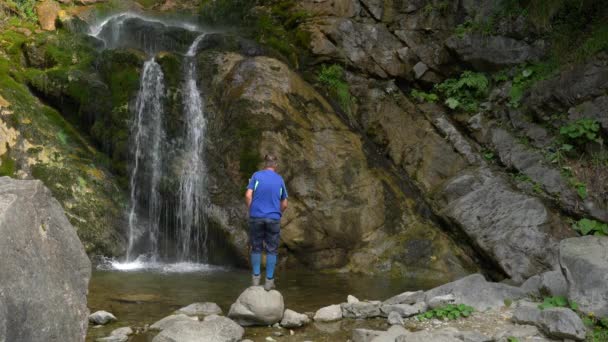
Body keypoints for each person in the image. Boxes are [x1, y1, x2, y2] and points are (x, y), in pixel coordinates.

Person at [245, 154, 288, 290]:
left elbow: (248, 195)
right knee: (272, 249)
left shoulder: (256, 176)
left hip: (256, 216)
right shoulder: (280, 180)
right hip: (273, 218)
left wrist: (252, 209)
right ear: (276, 165)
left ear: (265, 164)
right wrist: (278, 212)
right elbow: (285, 203)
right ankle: (269, 281)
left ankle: (256, 279)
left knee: (256, 247)